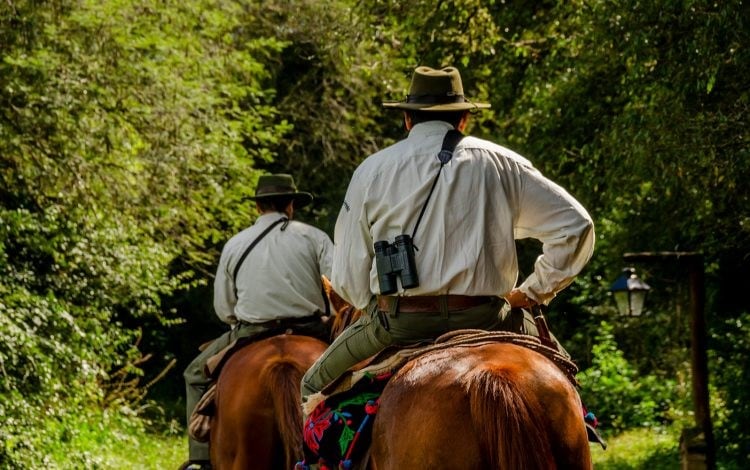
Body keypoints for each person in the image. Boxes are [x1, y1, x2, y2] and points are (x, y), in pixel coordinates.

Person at [300, 66, 594, 401]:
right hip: (488, 318)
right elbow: (576, 226)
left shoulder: (371, 170)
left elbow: (347, 276)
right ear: (463, 119)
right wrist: (532, 292)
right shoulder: (502, 162)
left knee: (310, 387)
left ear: (407, 119)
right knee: (565, 380)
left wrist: (377, 307)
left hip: (400, 322)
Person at [181, 174, 333, 470]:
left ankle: (199, 461)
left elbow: (225, 308)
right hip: (313, 327)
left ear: (257, 207)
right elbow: (338, 288)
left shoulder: (236, 244)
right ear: (291, 205)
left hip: (252, 330)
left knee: (195, 374)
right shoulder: (314, 237)